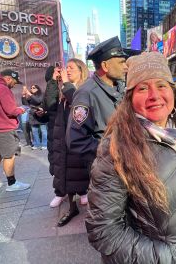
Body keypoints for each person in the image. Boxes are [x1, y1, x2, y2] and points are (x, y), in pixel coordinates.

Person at [85, 51, 176, 263]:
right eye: (143, 88)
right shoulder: (116, 149)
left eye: (161, 85)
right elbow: (103, 230)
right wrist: (165, 258)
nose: (154, 95)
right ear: (130, 98)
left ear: (173, 92)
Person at [62, 36, 128, 226]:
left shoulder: (119, 87)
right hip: (106, 169)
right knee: (110, 218)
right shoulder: (86, 93)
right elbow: (75, 139)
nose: (125, 66)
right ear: (105, 66)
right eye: (121, 62)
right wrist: (111, 151)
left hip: (126, 163)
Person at [0, 69, 30, 192]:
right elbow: (11, 110)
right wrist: (21, 109)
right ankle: (12, 184)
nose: (14, 85)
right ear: (8, 78)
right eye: (14, 82)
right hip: (3, 128)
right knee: (9, 156)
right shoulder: (2, 89)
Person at [50, 58, 89, 209]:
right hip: (61, 133)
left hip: (77, 133)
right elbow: (48, 104)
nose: (68, 70)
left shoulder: (84, 89)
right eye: (67, 67)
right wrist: (53, 82)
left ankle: (83, 191)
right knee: (61, 164)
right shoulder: (63, 89)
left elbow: (77, 104)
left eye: (72, 67)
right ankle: (60, 193)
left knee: (78, 165)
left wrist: (66, 83)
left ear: (81, 71)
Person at [22, 84, 48, 150]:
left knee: (43, 131)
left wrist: (29, 94)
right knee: (34, 131)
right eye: (31, 88)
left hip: (41, 114)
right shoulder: (31, 97)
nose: (32, 89)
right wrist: (24, 95)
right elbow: (25, 103)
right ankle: (36, 144)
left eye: (34, 88)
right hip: (33, 115)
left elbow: (38, 101)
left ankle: (45, 144)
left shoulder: (41, 95)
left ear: (37, 89)